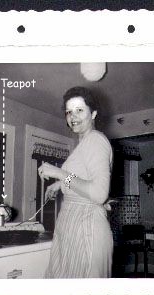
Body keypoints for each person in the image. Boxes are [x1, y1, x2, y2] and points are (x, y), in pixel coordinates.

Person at [38, 86, 113, 278]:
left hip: (86, 228)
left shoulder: (96, 140)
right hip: (74, 226)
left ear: (93, 113)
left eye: (79, 110)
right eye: (69, 112)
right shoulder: (85, 143)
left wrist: (60, 174)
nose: (73, 116)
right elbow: (83, 179)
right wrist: (60, 185)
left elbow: (99, 193)